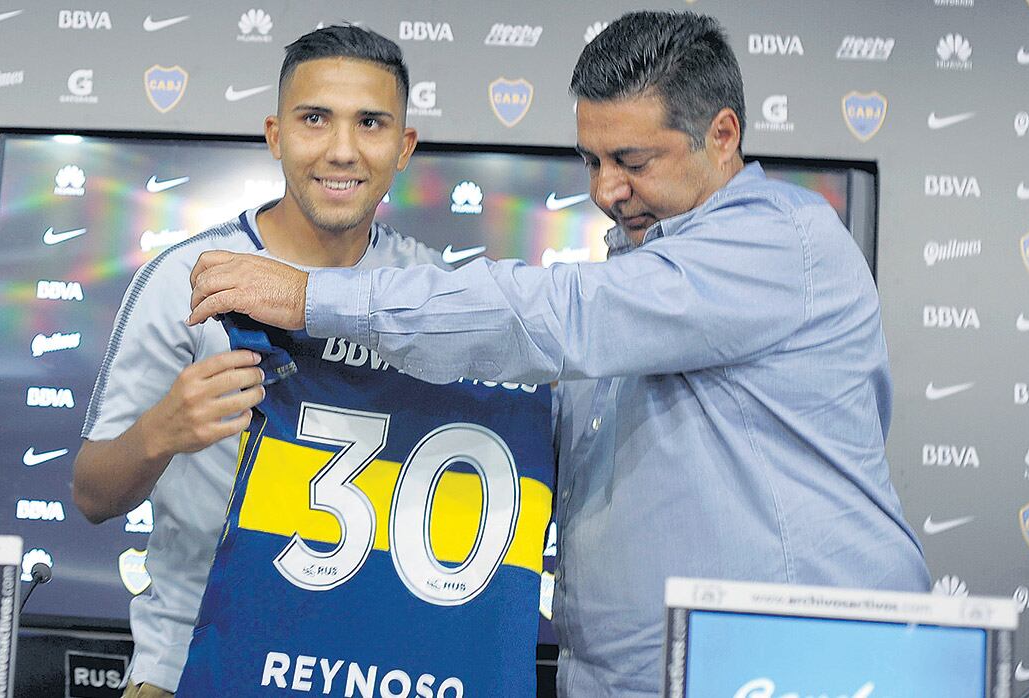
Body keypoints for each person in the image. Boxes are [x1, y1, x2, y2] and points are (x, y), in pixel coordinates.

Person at [185, 10, 932, 697]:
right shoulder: (638, 270)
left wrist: (313, 297)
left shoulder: (778, 241)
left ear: (722, 135)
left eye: (632, 160)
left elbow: (551, 315)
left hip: (794, 665)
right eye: (591, 159)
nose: (607, 190)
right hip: (632, 672)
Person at [72, 25, 441, 698]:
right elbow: (93, 496)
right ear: (275, 135)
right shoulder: (185, 276)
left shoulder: (439, 293)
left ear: (403, 147)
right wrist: (162, 430)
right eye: (314, 119)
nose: (341, 149)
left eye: (370, 123)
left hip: (371, 668)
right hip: (192, 661)